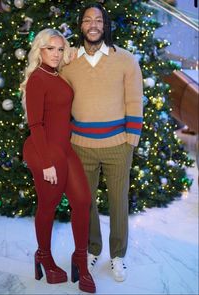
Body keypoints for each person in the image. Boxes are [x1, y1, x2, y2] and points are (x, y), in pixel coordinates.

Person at [61, 3, 143, 282]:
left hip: (118, 145)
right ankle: (92, 249)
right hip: (81, 145)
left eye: (98, 20)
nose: (93, 24)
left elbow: (134, 99)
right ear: (81, 26)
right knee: (85, 203)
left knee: (119, 202)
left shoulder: (126, 59)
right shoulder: (68, 62)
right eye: (87, 20)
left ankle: (118, 256)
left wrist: (131, 139)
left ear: (105, 25)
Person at [20, 28, 96, 293]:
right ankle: (43, 255)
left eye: (60, 49)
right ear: (39, 50)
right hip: (44, 151)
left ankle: (80, 258)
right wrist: (46, 163)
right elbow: (36, 124)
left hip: (65, 148)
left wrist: (71, 54)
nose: (56, 54)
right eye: (50, 48)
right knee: (48, 206)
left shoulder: (57, 74)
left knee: (83, 201)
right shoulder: (37, 79)